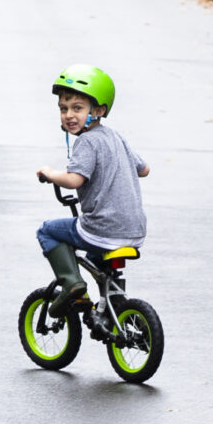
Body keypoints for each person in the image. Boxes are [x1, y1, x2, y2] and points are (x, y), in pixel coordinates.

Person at [33, 66, 148, 307]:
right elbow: (144, 169)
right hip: (134, 230)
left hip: (102, 229)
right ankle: (110, 302)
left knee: (47, 230)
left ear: (98, 110)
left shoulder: (86, 141)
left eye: (77, 108)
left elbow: (74, 180)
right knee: (96, 257)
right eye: (63, 109)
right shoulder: (115, 137)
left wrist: (51, 174)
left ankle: (73, 284)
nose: (68, 115)